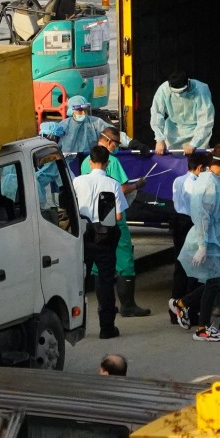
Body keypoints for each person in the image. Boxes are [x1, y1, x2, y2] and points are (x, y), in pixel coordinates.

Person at [168, 140, 220, 342]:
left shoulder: (218, 181)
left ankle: (182, 304)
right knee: (214, 281)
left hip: (217, 235)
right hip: (207, 237)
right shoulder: (208, 185)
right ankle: (203, 328)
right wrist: (203, 246)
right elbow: (201, 215)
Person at [81, 127, 151, 317]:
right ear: (109, 142)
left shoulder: (86, 163)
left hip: (90, 222)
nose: (117, 147)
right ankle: (128, 305)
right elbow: (121, 189)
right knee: (125, 259)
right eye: (116, 144)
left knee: (98, 267)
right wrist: (138, 184)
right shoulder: (112, 162)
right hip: (112, 219)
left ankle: (103, 307)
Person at [73, 145, 130, 339]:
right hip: (106, 238)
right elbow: (119, 214)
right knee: (105, 282)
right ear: (107, 163)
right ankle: (107, 328)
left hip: (83, 236)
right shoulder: (113, 184)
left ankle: (75, 326)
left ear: (90, 162)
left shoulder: (78, 181)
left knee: (79, 282)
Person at [167, 152, 207, 324]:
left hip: (178, 221)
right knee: (194, 268)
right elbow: (197, 207)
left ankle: (174, 307)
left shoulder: (178, 180)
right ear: (199, 168)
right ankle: (189, 309)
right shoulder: (196, 184)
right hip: (191, 223)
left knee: (180, 265)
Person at [151, 72, 215, 155]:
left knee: (198, 160)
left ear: (187, 84)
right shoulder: (163, 89)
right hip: (173, 132)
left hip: (197, 131)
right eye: (176, 93)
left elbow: (205, 119)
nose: (179, 95)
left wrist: (194, 143)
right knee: (174, 162)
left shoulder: (201, 89)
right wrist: (159, 139)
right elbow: (157, 114)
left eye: (182, 92)